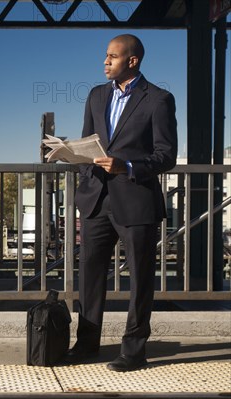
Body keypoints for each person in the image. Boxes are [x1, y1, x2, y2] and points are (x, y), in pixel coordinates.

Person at [68, 34, 178, 372]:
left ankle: (134, 350)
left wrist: (127, 166)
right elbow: (89, 143)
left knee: (141, 278)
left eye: (113, 57)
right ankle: (87, 343)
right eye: (105, 56)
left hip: (136, 199)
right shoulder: (96, 95)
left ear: (132, 61)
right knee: (89, 276)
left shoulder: (159, 99)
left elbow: (166, 155)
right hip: (96, 201)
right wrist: (70, 155)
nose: (105, 62)